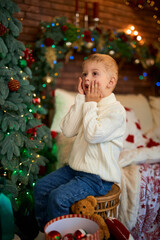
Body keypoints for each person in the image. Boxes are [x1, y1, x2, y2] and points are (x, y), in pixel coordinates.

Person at [34, 53, 126, 231]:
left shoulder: (116, 111)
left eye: (94, 73)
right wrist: (81, 99)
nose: (87, 78)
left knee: (58, 198)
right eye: (85, 74)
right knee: (40, 186)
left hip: (97, 178)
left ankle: (62, 233)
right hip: (74, 169)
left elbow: (93, 135)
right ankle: (45, 230)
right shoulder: (86, 103)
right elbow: (68, 131)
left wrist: (89, 104)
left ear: (111, 82)